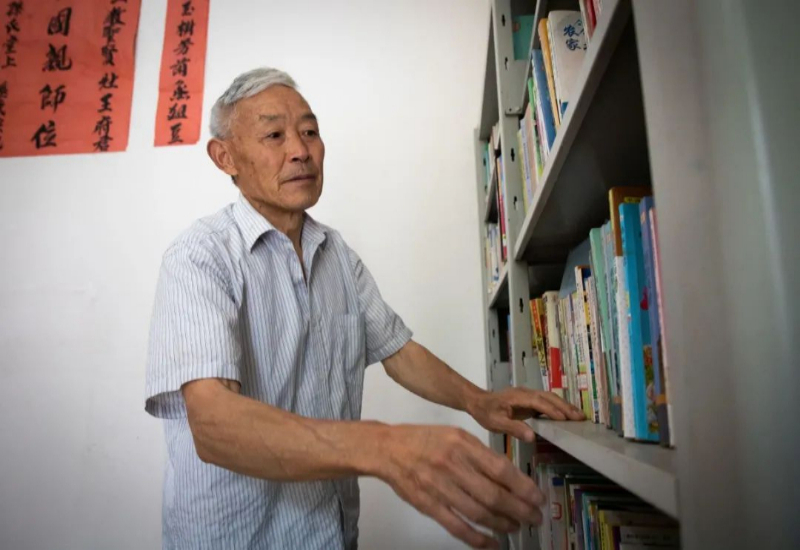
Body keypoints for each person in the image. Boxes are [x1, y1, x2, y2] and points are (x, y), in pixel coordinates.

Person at [144, 67, 584, 550]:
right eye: (274, 135)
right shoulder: (199, 256)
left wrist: (477, 401)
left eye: (309, 131)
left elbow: (397, 350)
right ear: (224, 156)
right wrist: (384, 445)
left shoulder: (335, 253)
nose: (300, 150)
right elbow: (214, 426)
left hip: (333, 534)